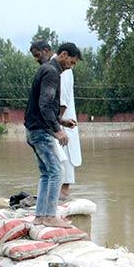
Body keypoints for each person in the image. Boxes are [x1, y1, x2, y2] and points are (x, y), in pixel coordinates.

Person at [24, 42, 79, 227]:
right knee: (56, 172)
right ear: (63, 55)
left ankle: (41, 216)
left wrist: (62, 121)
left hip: (33, 129)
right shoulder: (51, 72)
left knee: (47, 173)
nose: (70, 66)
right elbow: (45, 104)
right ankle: (49, 215)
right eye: (71, 62)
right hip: (41, 131)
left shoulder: (46, 69)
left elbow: (43, 105)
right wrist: (57, 130)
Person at [57, 60, 82, 201]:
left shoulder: (65, 71)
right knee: (57, 163)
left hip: (62, 124)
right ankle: (59, 196)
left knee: (65, 160)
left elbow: (63, 100)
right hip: (56, 123)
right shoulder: (52, 69)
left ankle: (63, 194)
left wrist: (59, 120)